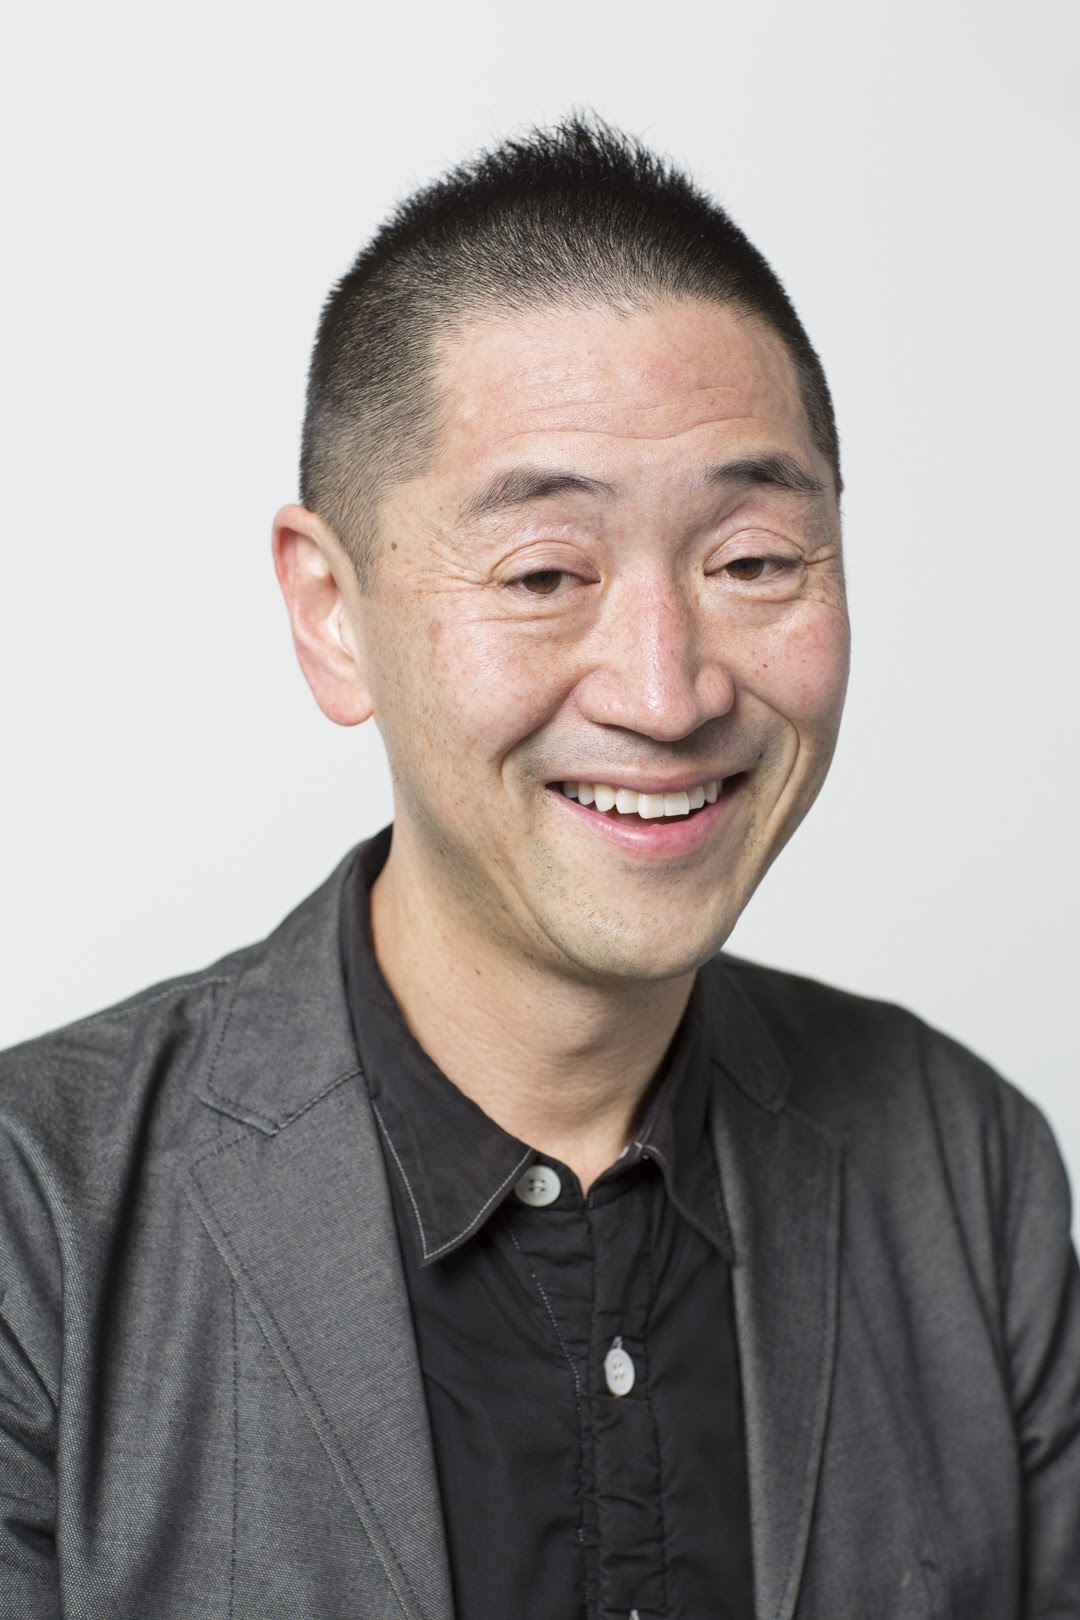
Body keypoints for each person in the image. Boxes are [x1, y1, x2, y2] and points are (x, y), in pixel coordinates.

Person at [1, 118, 1077, 1620]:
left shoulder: (972, 1174)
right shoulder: (37, 1222)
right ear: (330, 610)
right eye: (546, 574)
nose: (668, 687)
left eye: (756, 559)